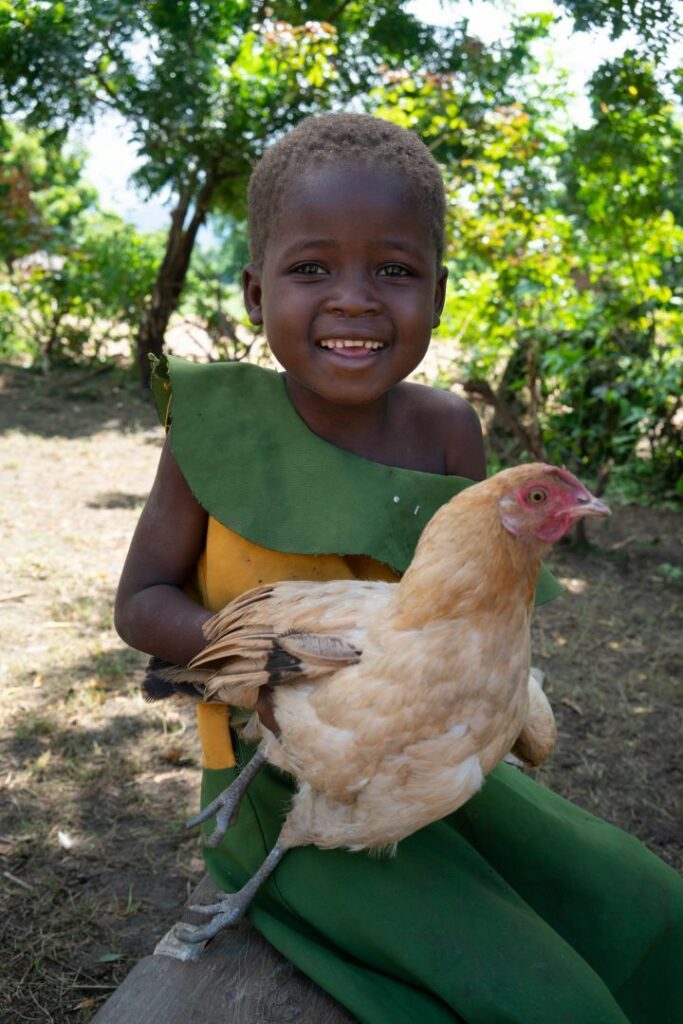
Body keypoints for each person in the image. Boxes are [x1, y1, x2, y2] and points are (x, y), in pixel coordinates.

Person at [116, 114, 682, 1024]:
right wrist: (270, 669)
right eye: (311, 269)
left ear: (438, 293)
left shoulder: (447, 430)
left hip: (435, 766)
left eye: (393, 269)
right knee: (535, 994)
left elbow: (478, 608)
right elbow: (140, 606)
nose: (353, 300)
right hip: (284, 775)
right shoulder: (213, 430)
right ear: (256, 293)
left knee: (645, 908)